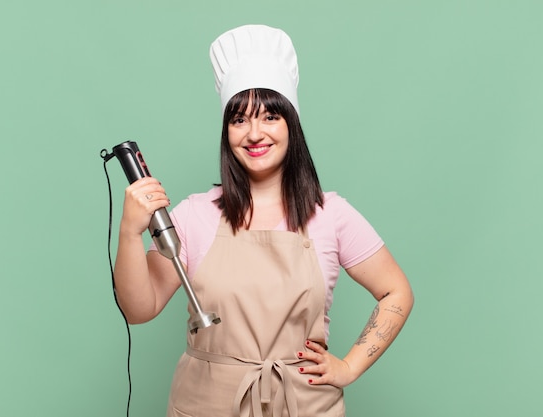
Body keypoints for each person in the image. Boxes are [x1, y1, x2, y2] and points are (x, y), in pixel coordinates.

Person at [114, 24, 414, 417]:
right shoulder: (194, 214)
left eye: (270, 116)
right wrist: (129, 231)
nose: (254, 133)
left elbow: (397, 292)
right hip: (206, 403)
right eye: (239, 120)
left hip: (304, 403)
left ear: (292, 124)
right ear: (227, 131)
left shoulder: (332, 214)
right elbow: (140, 309)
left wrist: (349, 366)